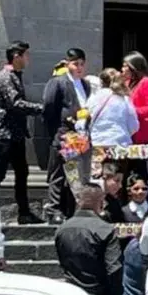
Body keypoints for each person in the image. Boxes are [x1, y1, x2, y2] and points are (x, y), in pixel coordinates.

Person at [0, 40, 44, 223]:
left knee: (22, 172)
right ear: (16, 56)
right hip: (3, 134)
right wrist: (40, 108)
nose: (28, 59)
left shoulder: (15, 76)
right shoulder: (5, 77)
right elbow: (15, 103)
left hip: (15, 135)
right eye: (26, 55)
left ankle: (24, 213)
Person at [42, 47, 99, 223]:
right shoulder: (58, 82)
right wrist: (57, 131)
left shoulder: (86, 84)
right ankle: (53, 208)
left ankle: (71, 207)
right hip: (64, 134)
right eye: (76, 64)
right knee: (59, 173)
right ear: (68, 64)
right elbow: (49, 107)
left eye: (82, 64)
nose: (79, 68)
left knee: (77, 174)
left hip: (81, 135)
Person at [54, 183, 124, 295]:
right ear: (101, 202)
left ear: (78, 201)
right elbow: (114, 268)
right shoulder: (106, 230)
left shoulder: (61, 230)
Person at [87, 68, 141, 147]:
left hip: (97, 143)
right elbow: (134, 125)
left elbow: (85, 120)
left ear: (101, 82)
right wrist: (123, 131)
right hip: (120, 144)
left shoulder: (93, 98)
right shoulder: (124, 99)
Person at [123, 51, 148, 145]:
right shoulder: (127, 83)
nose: (122, 69)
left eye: (125, 66)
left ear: (134, 68)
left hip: (143, 135)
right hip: (128, 134)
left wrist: (131, 111)